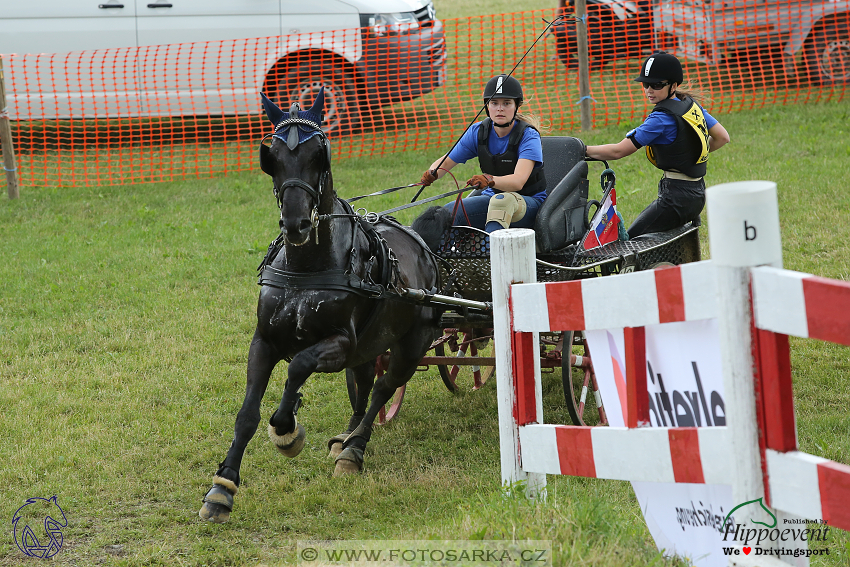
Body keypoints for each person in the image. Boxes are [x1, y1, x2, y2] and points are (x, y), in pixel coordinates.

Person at [585, 52, 730, 238]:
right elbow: (722, 137)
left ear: (674, 85)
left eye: (656, 85)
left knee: (631, 241)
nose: (649, 90)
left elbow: (618, 151)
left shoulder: (661, 119)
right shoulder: (690, 105)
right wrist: (692, 153)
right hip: (697, 194)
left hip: (675, 199)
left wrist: (582, 149)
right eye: (645, 84)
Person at [419, 75, 547, 234]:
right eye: (494, 103)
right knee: (445, 214)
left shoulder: (528, 136)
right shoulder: (478, 132)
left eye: (506, 103)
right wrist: (433, 173)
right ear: (487, 106)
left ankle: (491, 254)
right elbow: (445, 162)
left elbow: (518, 182)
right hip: (492, 198)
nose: (500, 108)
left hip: (529, 204)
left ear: (516, 106)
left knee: (502, 203)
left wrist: (490, 179)